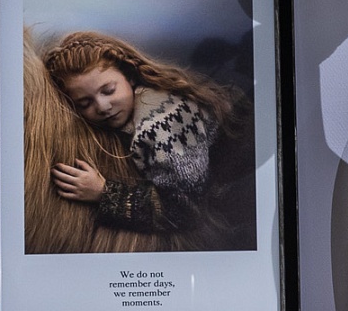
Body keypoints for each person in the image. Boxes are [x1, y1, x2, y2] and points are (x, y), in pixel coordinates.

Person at [41, 31, 255, 250]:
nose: (102, 107)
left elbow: (185, 212)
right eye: (85, 103)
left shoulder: (159, 125)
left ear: (129, 76)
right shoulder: (140, 102)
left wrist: (103, 192)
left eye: (109, 90)